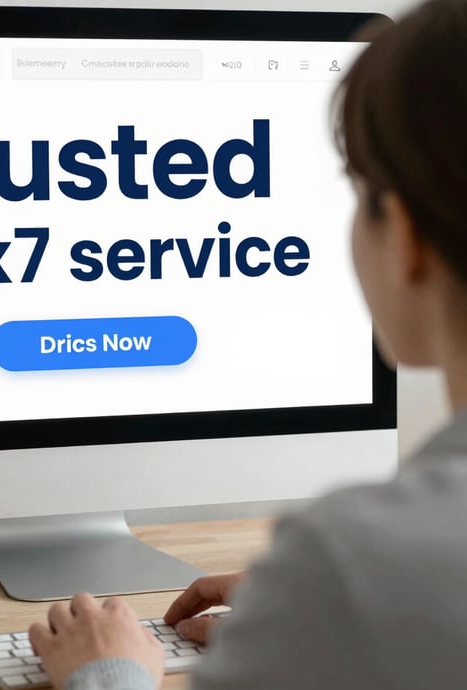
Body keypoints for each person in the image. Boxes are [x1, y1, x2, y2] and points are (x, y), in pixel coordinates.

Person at [28, 0, 467, 687]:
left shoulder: (358, 562)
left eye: (356, 193)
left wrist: (107, 671)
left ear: (404, 237)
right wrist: (301, 608)